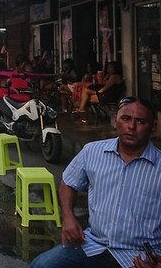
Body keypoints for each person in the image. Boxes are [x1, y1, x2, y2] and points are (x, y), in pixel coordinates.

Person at [29, 97, 161, 268]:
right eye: (126, 119)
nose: (131, 127)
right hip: (94, 244)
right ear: (115, 121)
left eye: (141, 121)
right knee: (41, 265)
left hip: (139, 256)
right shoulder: (92, 152)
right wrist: (68, 217)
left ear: (153, 127)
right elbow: (68, 183)